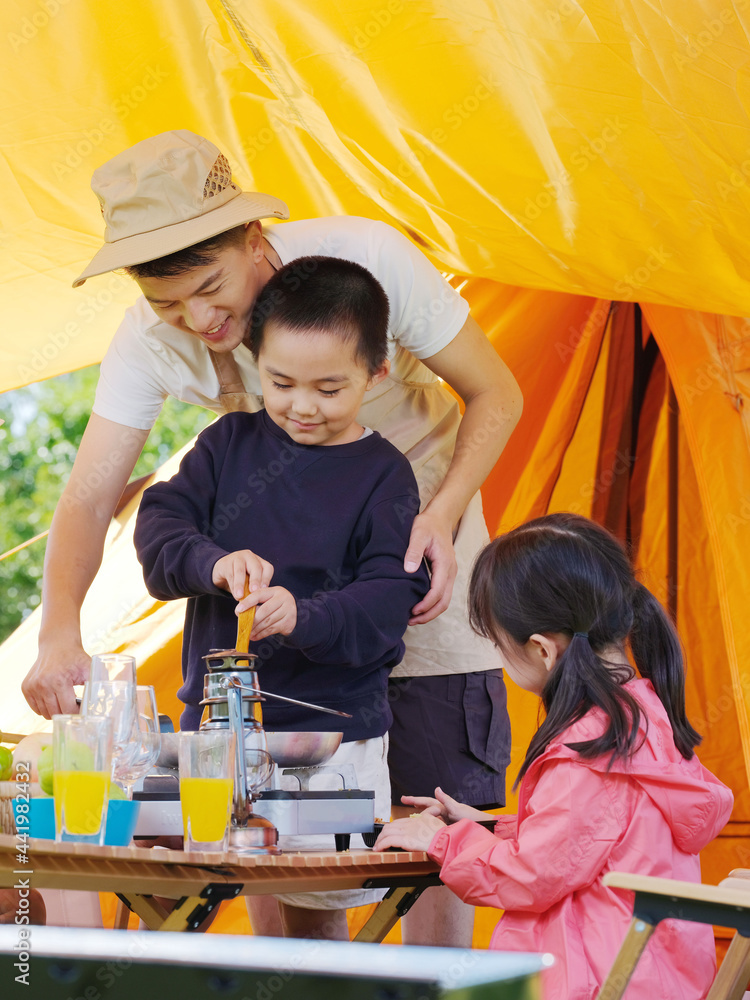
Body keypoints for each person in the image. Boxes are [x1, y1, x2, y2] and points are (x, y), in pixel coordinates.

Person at [22, 129, 523, 945]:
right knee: (264, 811)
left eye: (211, 288)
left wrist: (442, 514)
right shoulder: (155, 348)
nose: (198, 319)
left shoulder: (369, 260)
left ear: (256, 240)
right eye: (168, 302)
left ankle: (436, 980)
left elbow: (495, 392)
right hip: (283, 595)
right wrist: (57, 632)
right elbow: (90, 495)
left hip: (417, 552)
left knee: (428, 805)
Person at [134, 257, 430, 939]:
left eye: (330, 387)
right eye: (281, 382)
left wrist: (301, 615)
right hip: (209, 744)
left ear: (375, 374)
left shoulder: (385, 477)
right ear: (254, 362)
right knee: (153, 882)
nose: (302, 405)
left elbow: (388, 604)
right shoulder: (226, 444)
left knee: (313, 926)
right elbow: (158, 532)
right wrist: (213, 563)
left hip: (333, 746)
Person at [375, 513, 733, 999]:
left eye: (501, 646)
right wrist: (482, 827)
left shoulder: (589, 749)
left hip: (588, 985)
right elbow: (586, 842)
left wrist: (442, 843)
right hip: (654, 982)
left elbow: (530, 876)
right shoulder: (643, 719)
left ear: (542, 650)